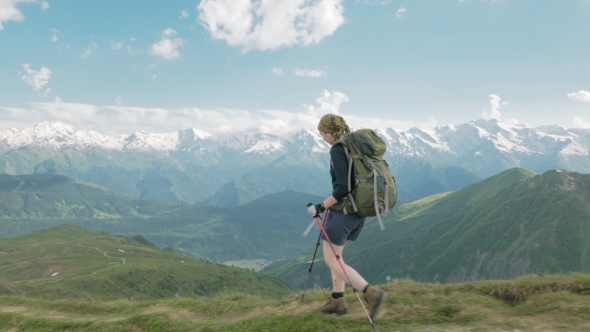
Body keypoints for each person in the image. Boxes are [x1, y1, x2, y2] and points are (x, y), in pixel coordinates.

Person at [307, 113, 387, 319]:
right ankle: (338, 301)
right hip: (358, 212)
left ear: (330, 132)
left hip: (343, 213)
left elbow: (343, 187)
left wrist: (320, 206)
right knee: (338, 258)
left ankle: (371, 293)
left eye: (323, 133)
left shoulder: (337, 149)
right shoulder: (353, 146)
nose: (323, 138)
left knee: (331, 261)